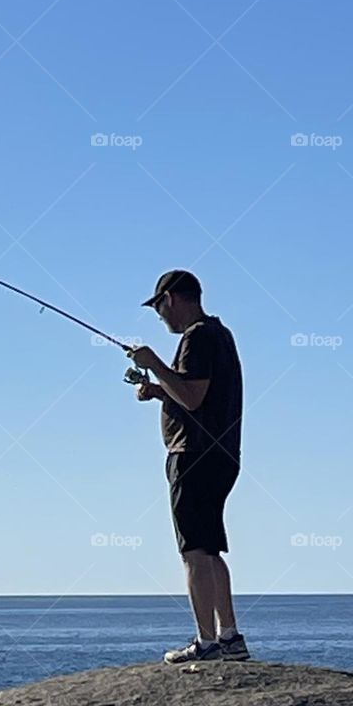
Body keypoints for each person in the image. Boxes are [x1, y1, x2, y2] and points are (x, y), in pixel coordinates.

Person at [126, 270, 249, 665]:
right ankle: (229, 637)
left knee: (193, 550)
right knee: (210, 548)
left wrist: (154, 364)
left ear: (172, 299)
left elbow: (193, 399)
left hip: (193, 455)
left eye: (159, 306)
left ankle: (207, 642)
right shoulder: (220, 335)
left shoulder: (196, 338)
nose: (160, 317)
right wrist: (161, 391)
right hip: (222, 455)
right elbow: (199, 394)